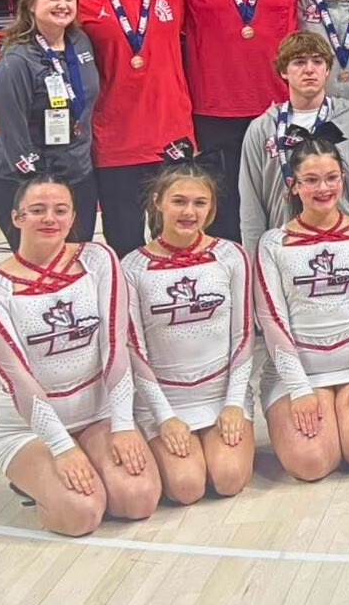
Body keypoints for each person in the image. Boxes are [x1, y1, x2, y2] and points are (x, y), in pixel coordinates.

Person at [0, 178, 158, 535]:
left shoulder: (98, 259)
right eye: (37, 210)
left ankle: (90, 461)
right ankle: (32, 481)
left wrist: (123, 424)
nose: (49, 219)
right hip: (28, 428)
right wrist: (60, 446)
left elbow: (116, 345)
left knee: (138, 499)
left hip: (97, 415)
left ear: (73, 217)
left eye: (60, 210)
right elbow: (17, 379)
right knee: (80, 515)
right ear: (17, 217)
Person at [254, 136, 349, 479]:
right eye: (311, 180)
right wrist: (300, 389)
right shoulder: (273, 243)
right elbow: (272, 321)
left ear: (343, 178)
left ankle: (347, 411)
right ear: (293, 185)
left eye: (332, 178)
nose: (323, 188)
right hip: (299, 373)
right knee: (311, 464)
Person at [121, 165, 254, 503]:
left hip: (221, 394)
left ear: (211, 208)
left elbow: (243, 335)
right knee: (186, 487)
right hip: (166, 399)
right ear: (158, 202)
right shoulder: (132, 267)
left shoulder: (231, 255)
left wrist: (234, 404)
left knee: (228, 479)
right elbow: (134, 350)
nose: (189, 212)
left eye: (199, 203)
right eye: (179, 201)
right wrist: (165, 417)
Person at [78, 0, 194, 256]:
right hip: (115, 143)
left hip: (172, 137)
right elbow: (39, 32)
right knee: (125, 246)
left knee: (178, 243)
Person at [236, 31, 349, 251]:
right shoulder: (262, 129)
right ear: (284, 71)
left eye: (318, 61)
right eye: (299, 62)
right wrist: (256, 259)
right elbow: (251, 206)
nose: (309, 69)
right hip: (287, 247)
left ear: (328, 69)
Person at [0, 0, 100, 245]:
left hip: (77, 172)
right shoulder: (17, 59)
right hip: (23, 178)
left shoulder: (80, 42)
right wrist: (39, 184)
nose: (63, 4)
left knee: (76, 255)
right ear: (31, 5)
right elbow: (13, 134)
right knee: (38, 259)